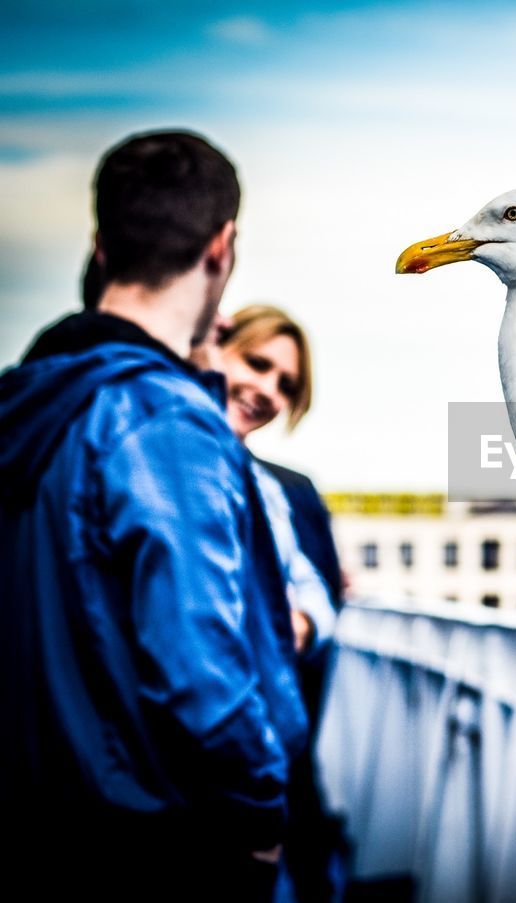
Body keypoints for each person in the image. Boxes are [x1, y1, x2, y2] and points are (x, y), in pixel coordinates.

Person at [0, 131, 306, 901]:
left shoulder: (31, 401)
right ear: (221, 247)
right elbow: (198, 666)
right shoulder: (162, 421)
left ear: (101, 246)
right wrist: (261, 812)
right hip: (153, 840)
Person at [217, 304, 346, 902]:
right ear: (219, 345)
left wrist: (296, 623)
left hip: (255, 756)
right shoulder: (155, 451)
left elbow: (313, 589)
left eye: (285, 384)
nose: (266, 390)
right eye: (256, 363)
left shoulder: (268, 489)